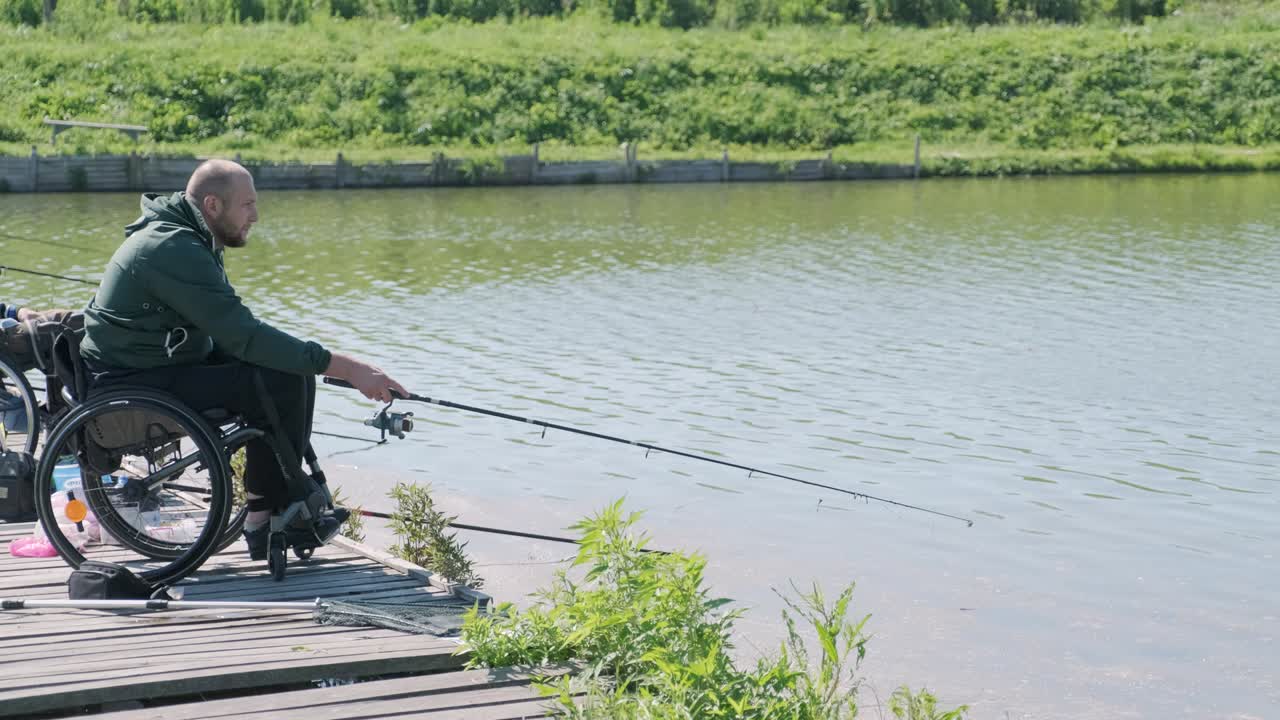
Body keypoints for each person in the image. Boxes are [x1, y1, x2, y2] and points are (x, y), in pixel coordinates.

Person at [78, 159, 407, 559]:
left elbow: (232, 333)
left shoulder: (191, 236)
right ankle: (263, 518)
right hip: (132, 382)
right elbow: (243, 335)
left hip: (160, 364)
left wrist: (309, 360)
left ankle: (283, 503)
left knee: (288, 370)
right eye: (247, 205)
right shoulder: (171, 246)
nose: (256, 215)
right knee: (281, 378)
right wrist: (351, 369)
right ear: (213, 204)